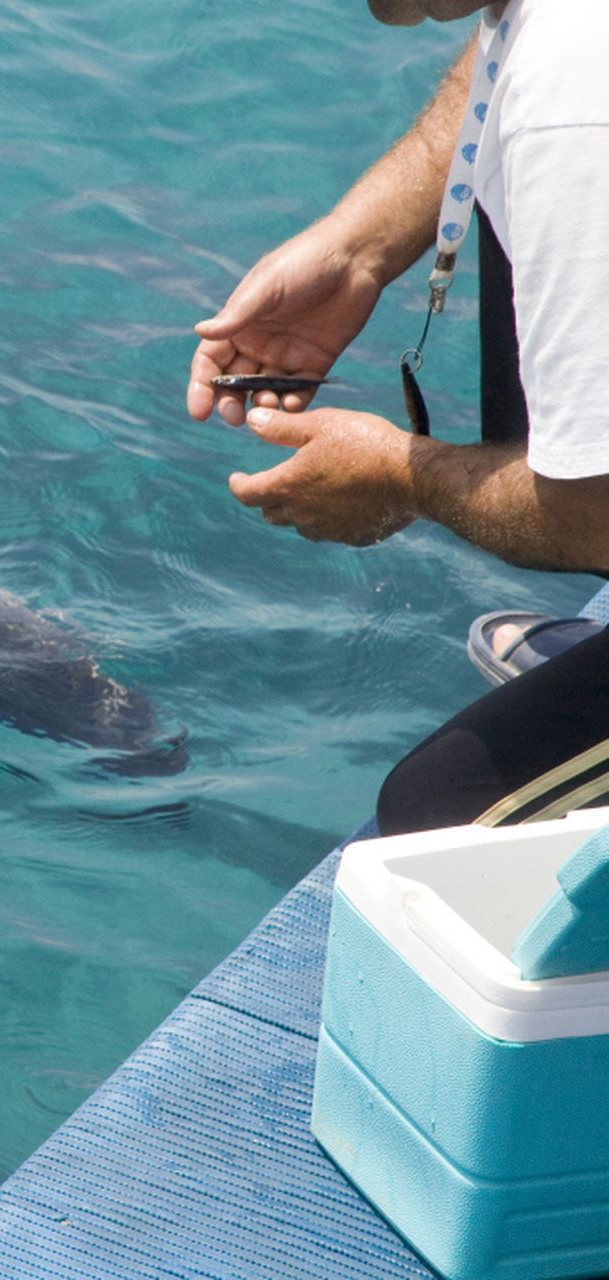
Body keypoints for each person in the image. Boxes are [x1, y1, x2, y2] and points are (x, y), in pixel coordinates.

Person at [185, 0, 609, 834]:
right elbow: (501, 39)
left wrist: (396, 475)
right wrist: (357, 247)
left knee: (437, 822)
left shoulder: (571, 115)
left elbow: (596, 515)